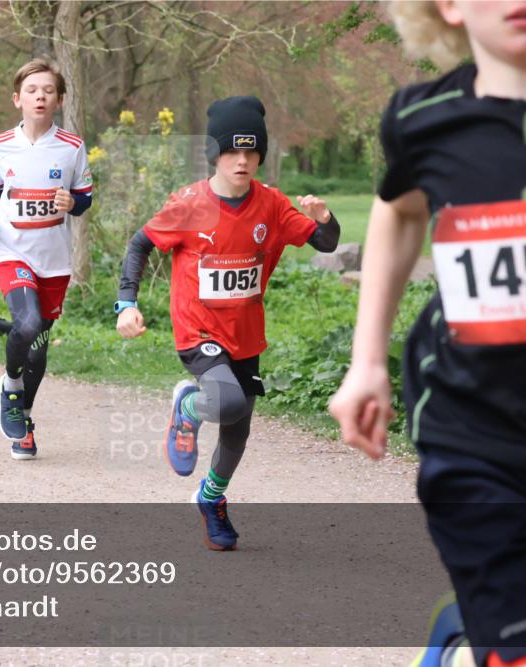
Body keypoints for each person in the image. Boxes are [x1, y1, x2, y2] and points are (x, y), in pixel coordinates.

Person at [327, 2, 526, 666]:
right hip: (474, 439)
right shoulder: (421, 119)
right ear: (448, 6)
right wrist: (367, 359)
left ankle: (466, 647)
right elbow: (400, 210)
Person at [116, 96, 341, 550]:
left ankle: (211, 498)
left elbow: (326, 242)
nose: (242, 160)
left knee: (237, 430)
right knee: (228, 401)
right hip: (197, 330)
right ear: (214, 153)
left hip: (246, 335)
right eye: (232, 150)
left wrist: (325, 218)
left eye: (251, 151)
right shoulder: (188, 204)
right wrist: (126, 303)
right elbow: (140, 245)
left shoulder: (272, 204)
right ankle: (188, 409)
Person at [0, 58, 93, 460]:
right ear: (18, 99)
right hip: (10, 249)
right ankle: (10, 385)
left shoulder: (72, 147)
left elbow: (85, 198)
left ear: (59, 100)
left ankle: (23, 420)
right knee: (25, 323)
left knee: (39, 347)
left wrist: (72, 202)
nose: (39, 97)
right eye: (31, 90)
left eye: (47, 91)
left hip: (53, 259)